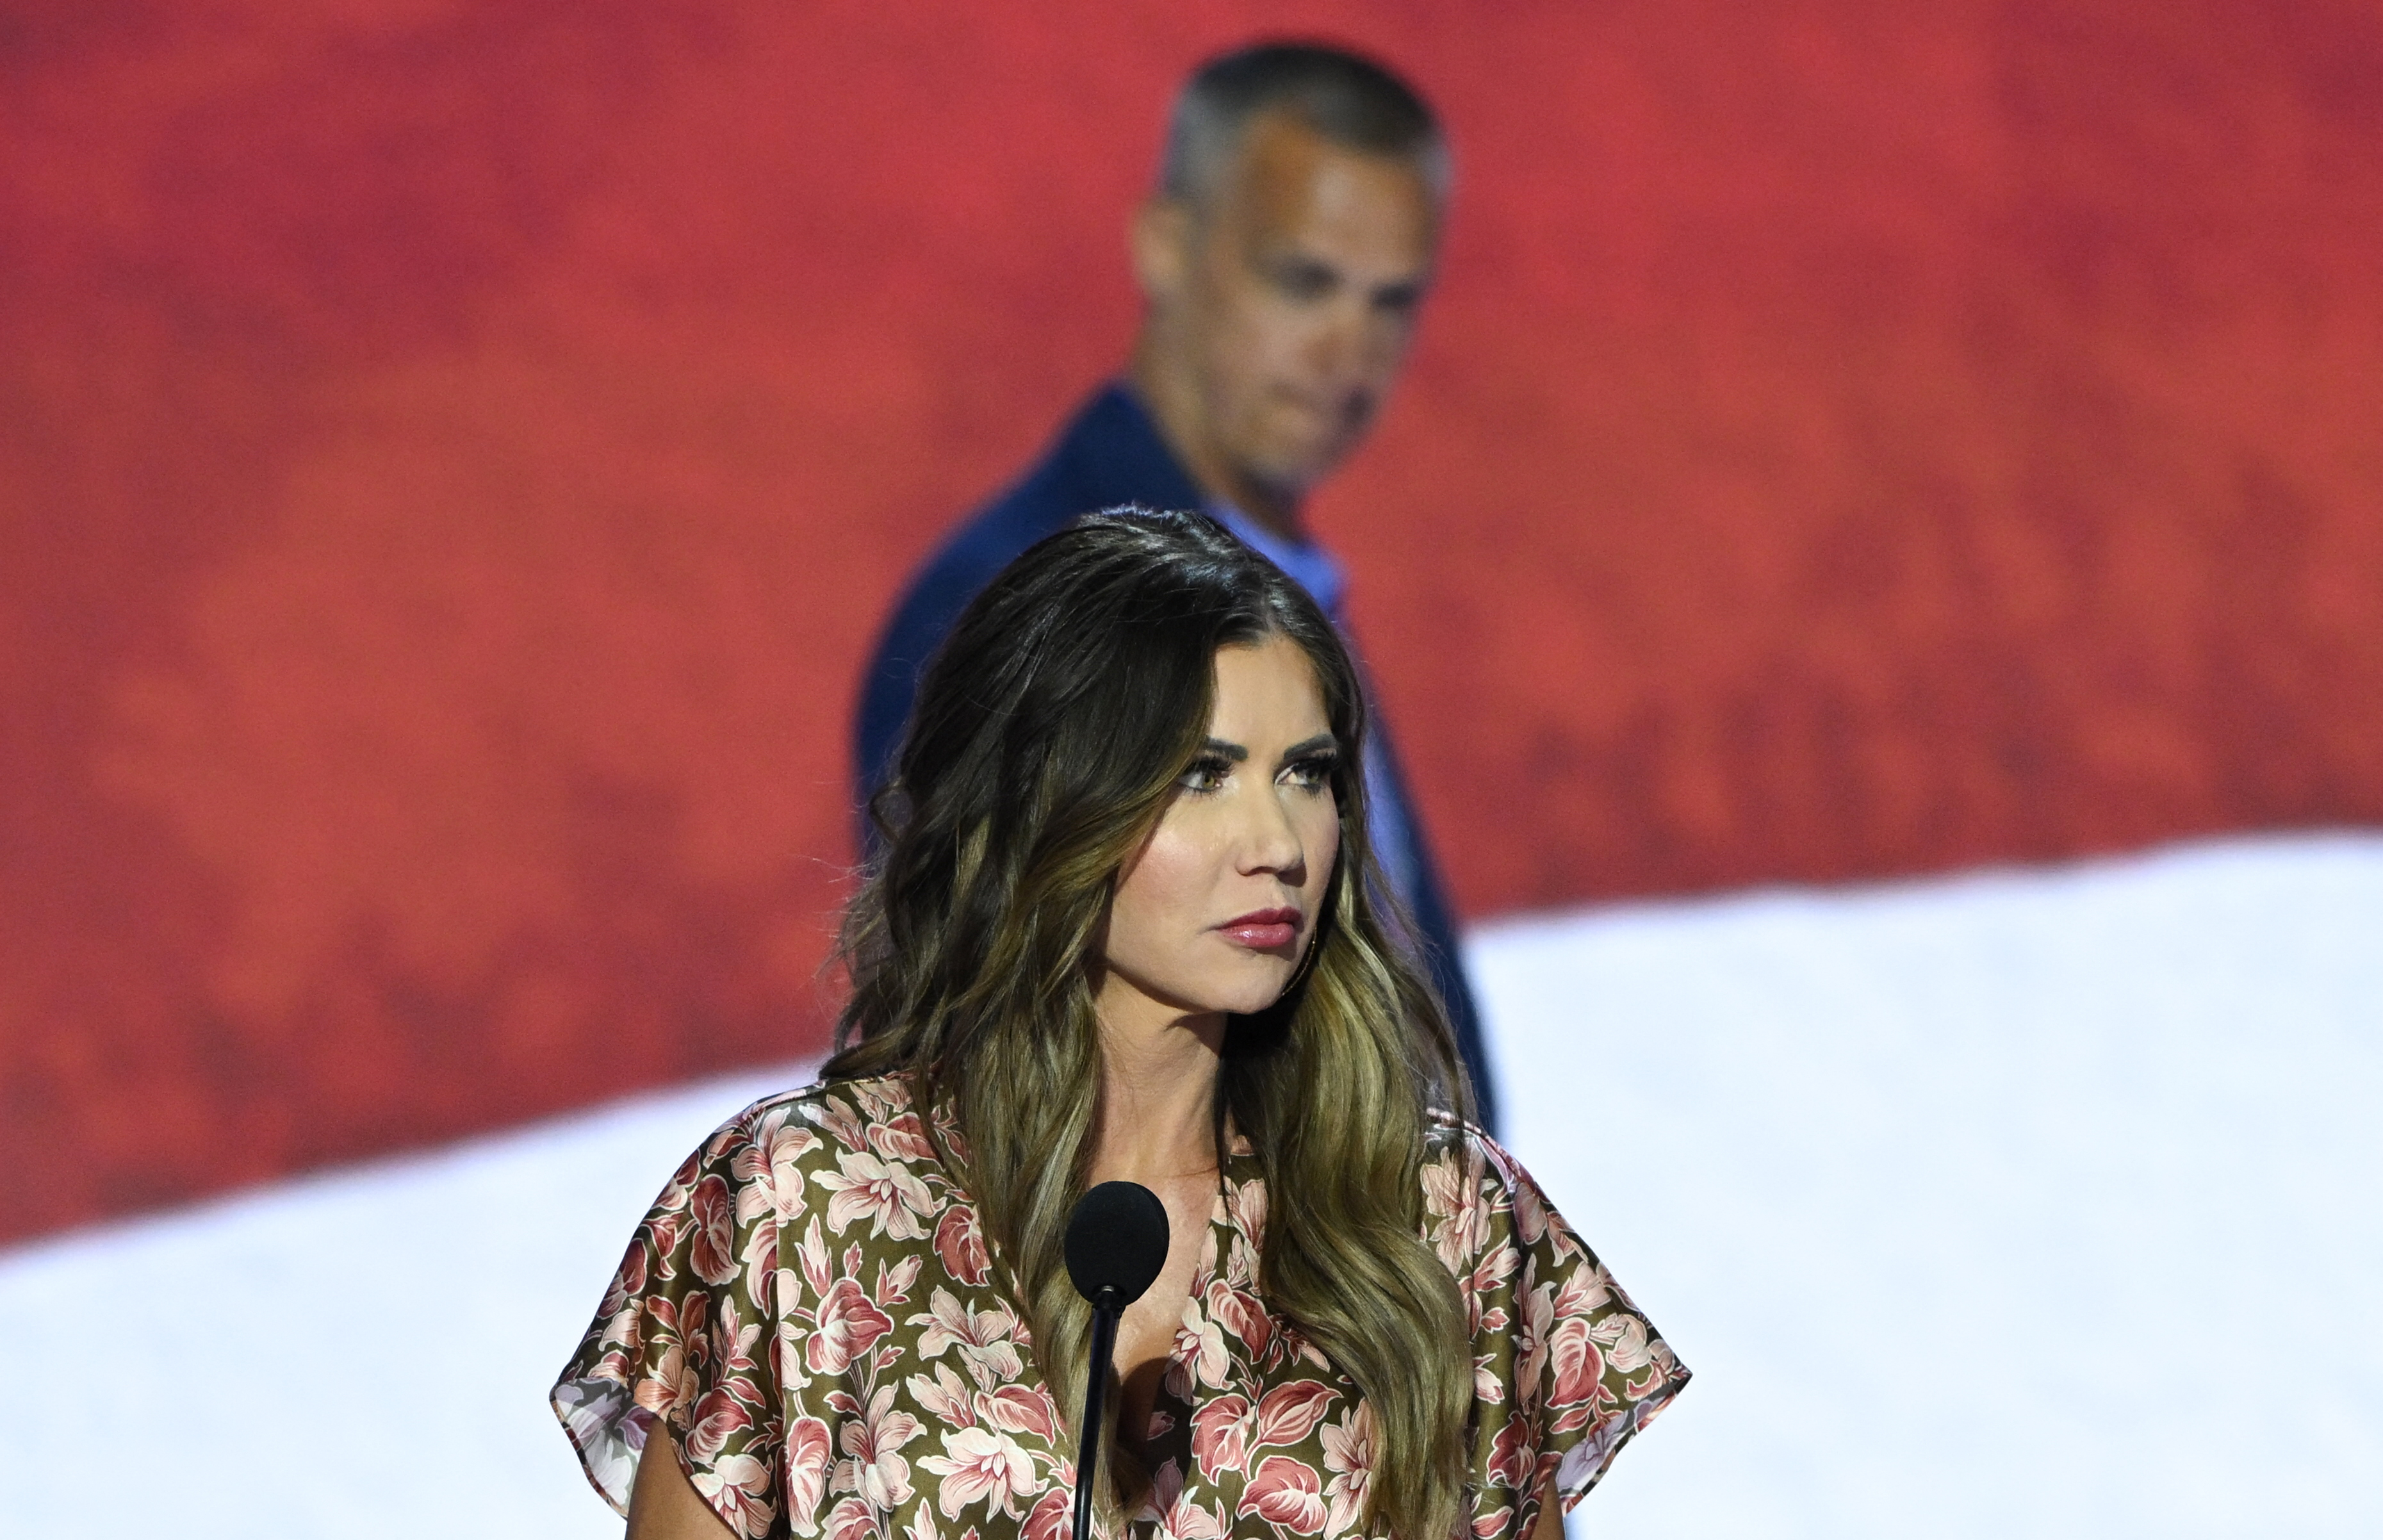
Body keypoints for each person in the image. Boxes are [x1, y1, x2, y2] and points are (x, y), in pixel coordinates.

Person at [559, 511, 1686, 1540]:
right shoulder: (804, 1210)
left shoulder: (1443, 1226)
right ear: (1047, 802)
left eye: (1307, 774)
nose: (1280, 845)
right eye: (1202, 776)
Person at [854, 42, 1501, 1131]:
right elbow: (984, 1055)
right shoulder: (1013, 600)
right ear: (1166, 247)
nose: (1350, 349)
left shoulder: (1277, 588)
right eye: (1303, 281)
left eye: (1392, 301)